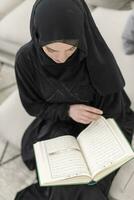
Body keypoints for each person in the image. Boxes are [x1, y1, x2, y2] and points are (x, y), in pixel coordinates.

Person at [14, 0, 134, 199]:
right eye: (50, 50)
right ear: (37, 36)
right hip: (58, 121)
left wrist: (92, 133)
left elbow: (113, 113)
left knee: (88, 185)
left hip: (102, 124)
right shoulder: (26, 59)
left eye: (70, 49)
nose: (61, 58)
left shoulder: (95, 58)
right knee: (66, 180)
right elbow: (33, 106)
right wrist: (67, 111)